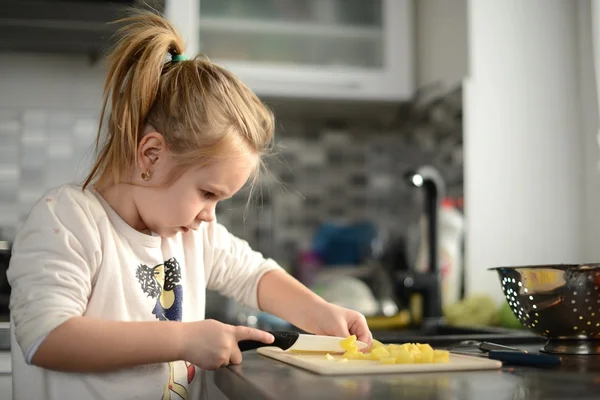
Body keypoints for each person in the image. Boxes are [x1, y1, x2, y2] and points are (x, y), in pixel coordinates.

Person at [7, 8, 373, 400]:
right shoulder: (70, 221)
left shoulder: (193, 236)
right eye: (207, 193)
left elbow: (254, 275)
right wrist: (182, 339)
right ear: (151, 155)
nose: (209, 215)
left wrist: (322, 313)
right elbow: (46, 337)